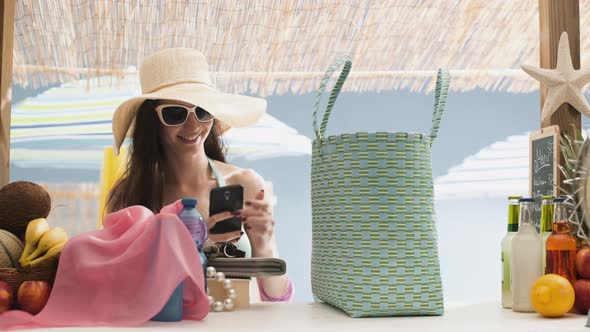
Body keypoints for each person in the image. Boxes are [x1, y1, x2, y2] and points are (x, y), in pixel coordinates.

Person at [106, 48, 293, 302]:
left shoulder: (245, 183)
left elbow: (277, 298)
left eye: (202, 111)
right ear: (153, 122)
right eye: (175, 113)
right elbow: (114, 287)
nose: (193, 126)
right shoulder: (129, 197)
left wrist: (265, 243)